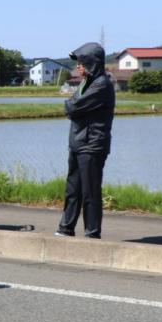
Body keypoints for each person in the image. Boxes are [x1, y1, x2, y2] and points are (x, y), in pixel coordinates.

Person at [55, 42, 115, 239]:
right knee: (73, 189)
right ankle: (66, 228)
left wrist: (71, 106)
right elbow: (72, 106)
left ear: (92, 63)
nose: (78, 66)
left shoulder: (102, 84)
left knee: (90, 191)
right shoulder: (85, 83)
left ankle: (92, 232)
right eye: (78, 63)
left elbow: (72, 107)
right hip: (77, 142)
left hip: (92, 144)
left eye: (82, 62)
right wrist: (71, 106)